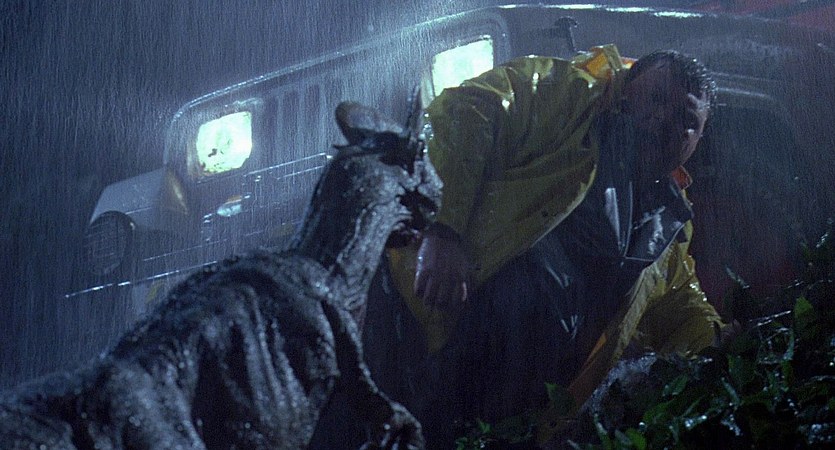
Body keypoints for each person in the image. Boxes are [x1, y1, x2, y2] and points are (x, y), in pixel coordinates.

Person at [368, 44, 725, 446]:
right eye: (657, 99)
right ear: (627, 89)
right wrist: (443, 229)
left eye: (687, 121)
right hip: (424, 326)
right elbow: (468, 110)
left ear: (697, 142)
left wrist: (720, 344)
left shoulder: (666, 223)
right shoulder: (566, 96)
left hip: (519, 406)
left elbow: (679, 304)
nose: (664, 121)